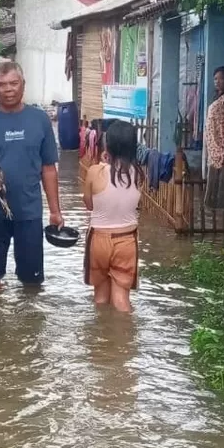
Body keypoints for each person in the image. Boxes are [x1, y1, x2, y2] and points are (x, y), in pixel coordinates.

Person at [0, 61, 63, 290]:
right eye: (2, 84)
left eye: (13, 83)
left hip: (29, 212)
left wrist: (56, 212)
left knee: (32, 282)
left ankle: (28, 325)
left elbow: (49, 168)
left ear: (23, 85)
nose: (8, 89)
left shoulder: (40, 119)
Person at [82, 121, 143, 312]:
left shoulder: (95, 172)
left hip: (98, 239)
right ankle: (124, 338)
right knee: (121, 299)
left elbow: (89, 204)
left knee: (100, 298)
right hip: (126, 241)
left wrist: (103, 163)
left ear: (107, 147)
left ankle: (102, 338)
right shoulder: (139, 175)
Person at [205, 66, 224, 169]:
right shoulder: (216, 97)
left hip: (222, 142)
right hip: (213, 142)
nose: (217, 81)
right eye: (215, 79)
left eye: (221, 78)